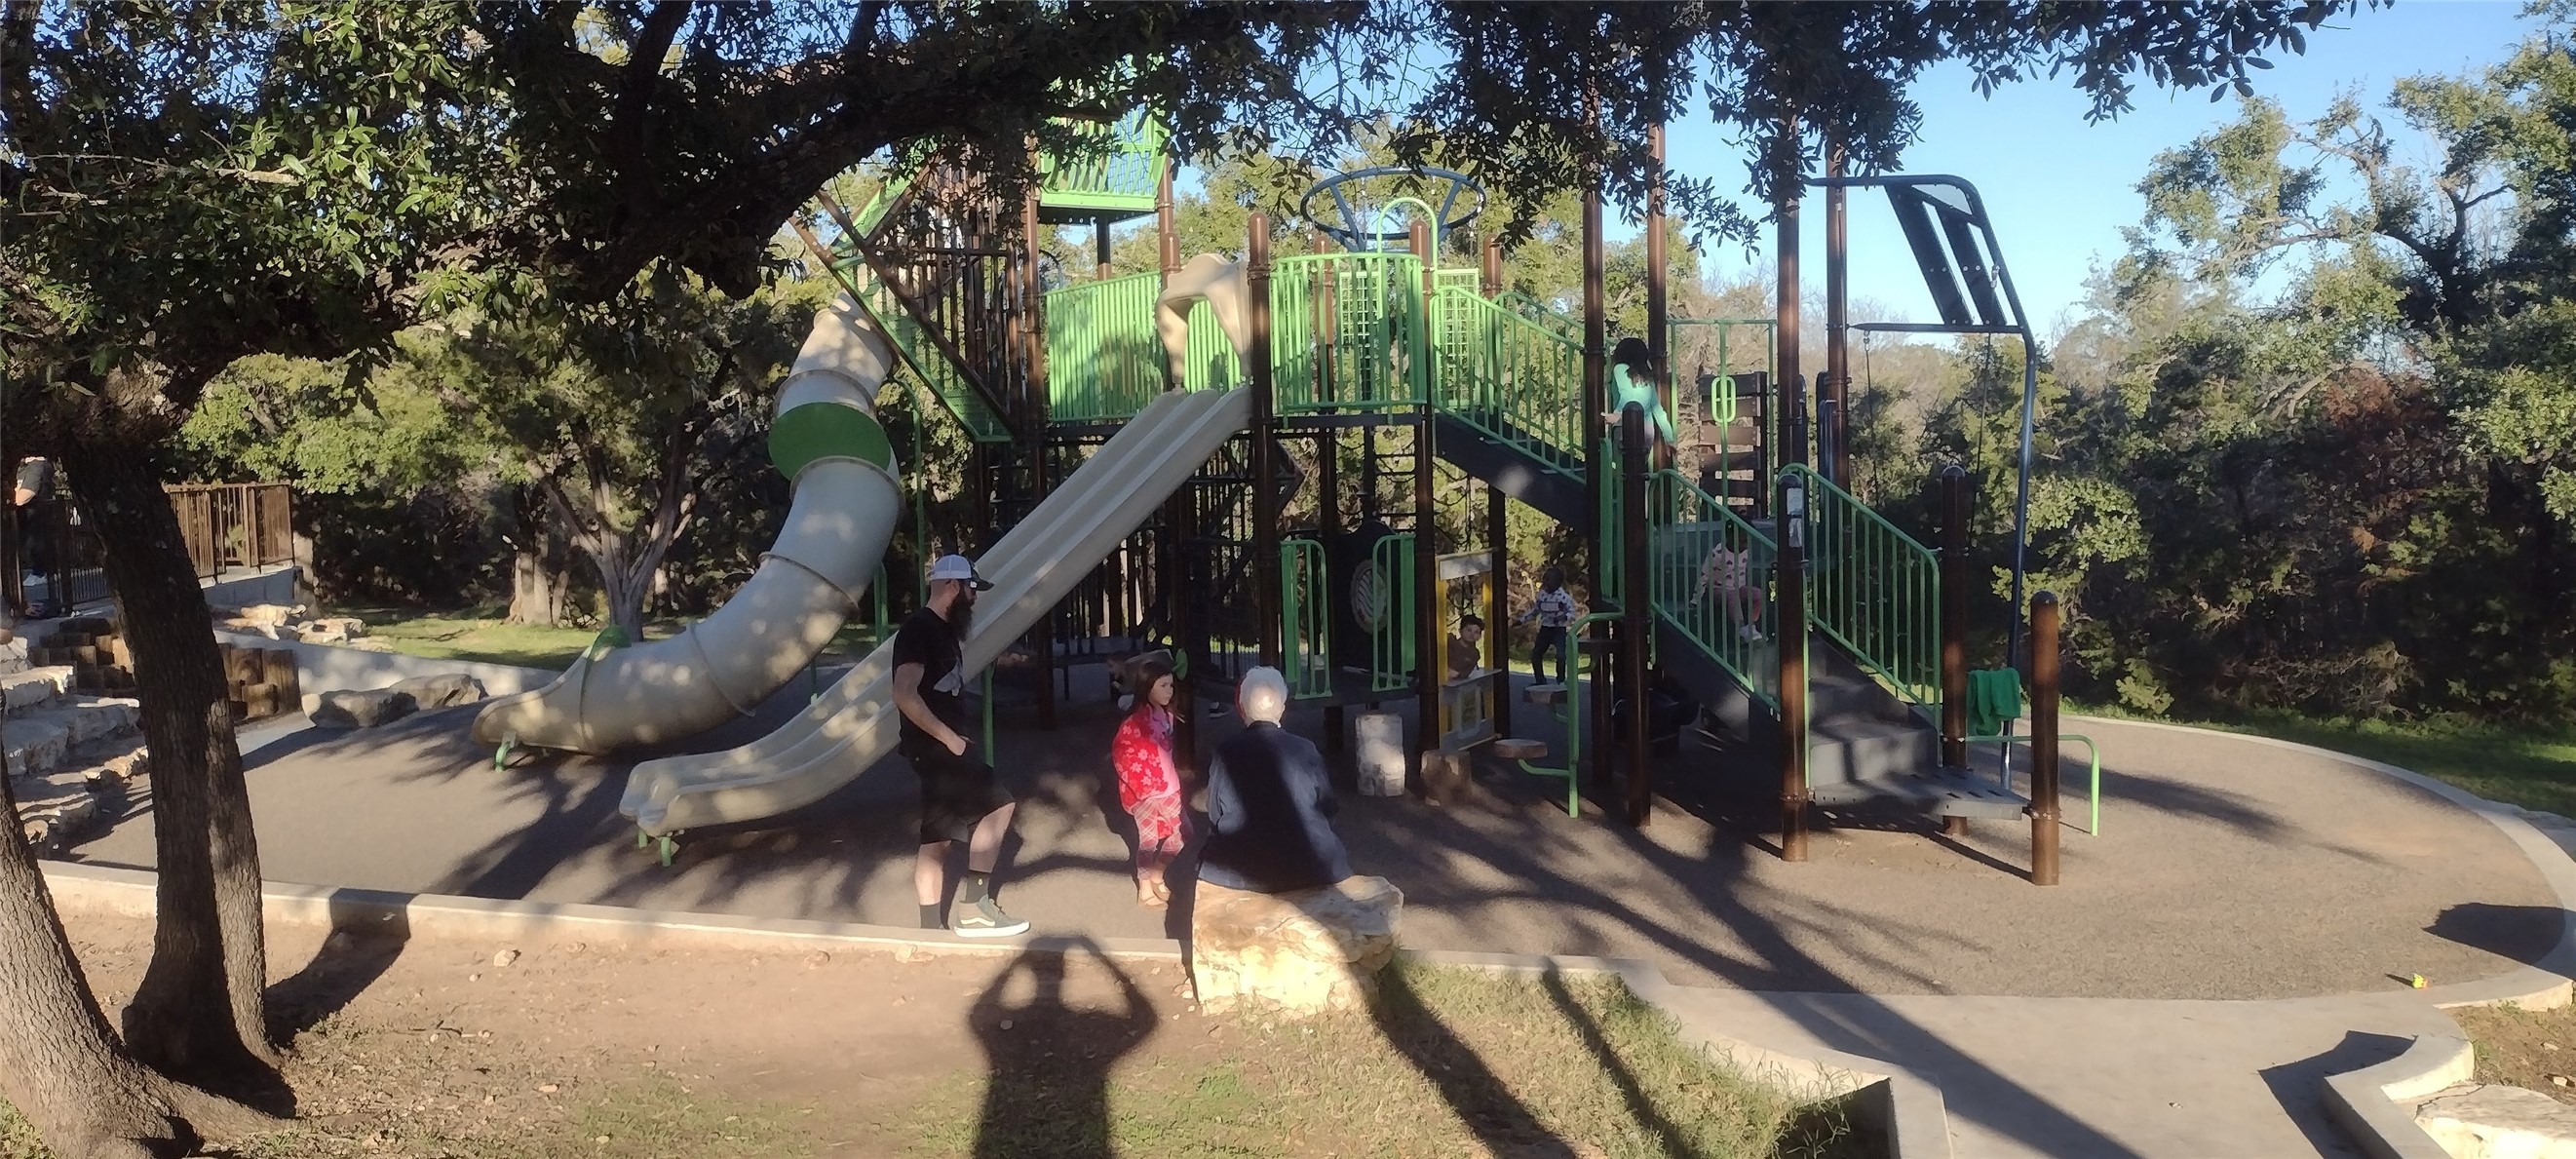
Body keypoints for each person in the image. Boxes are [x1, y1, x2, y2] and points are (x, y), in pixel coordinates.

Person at [892, 553, 1029, 938]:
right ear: (951, 585)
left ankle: (929, 930)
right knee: (1000, 804)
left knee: (937, 839)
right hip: (937, 748)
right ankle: (975, 909)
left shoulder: (942, 629)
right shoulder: (919, 629)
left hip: (937, 747)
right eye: (971, 588)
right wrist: (949, 738)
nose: (974, 597)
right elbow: (904, 694)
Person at [1195, 667, 1352, 896]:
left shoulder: (1225, 752)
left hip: (1239, 869)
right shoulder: (1305, 749)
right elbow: (1328, 808)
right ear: (1282, 709)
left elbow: (1215, 813)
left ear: (1242, 709)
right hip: (1311, 866)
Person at [1108, 651, 1185, 908]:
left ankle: (1157, 873)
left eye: (1171, 685)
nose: (1169, 691)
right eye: (1163, 686)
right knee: (1149, 840)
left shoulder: (1167, 716)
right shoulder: (1133, 723)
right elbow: (1121, 755)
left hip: (1169, 788)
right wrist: (1142, 787)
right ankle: (1145, 888)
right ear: (1147, 687)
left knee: (1182, 834)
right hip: (1146, 792)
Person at [1604, 337, 1677, 470]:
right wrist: (1669, 438)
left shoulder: (1620, 368)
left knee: (1621, 470)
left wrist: (1617, 414)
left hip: (1625, 426)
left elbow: (1627, 394)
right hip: (1647, 430)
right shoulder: (1646, 376)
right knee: (1637, 470)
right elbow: (1657, 410)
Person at [1515, 566, 1578, 686]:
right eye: (1544, 579)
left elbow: (1572, 613)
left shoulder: (1564, 598)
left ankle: (1561, 680)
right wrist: (1521, 621)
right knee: (1536, 654)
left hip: (1559, 629)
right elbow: (1535, 610)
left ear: (1557, 582)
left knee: (1561, 656)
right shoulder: (1542, 596)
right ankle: (1540, 680)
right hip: (1545, 629)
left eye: (1548, 580)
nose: (1545, 582)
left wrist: (1564, 618)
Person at [1700, 540, 1764, 642]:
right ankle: (1742, 630)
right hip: (1716, 589)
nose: (1746, 545)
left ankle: (1751, 627)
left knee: (1758, 594)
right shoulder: (1716, 554)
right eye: (1743, 542)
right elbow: (1703, 576)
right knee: (1732, 595)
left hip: (1737, 587)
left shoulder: (1745, 552)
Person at [1446, 614, 1484, 681]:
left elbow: (1468, 671)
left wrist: (1458, 674)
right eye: (1469, 630)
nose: (1472, 634)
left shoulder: (1475, 654)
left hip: (1457, 683)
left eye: (1476, 632)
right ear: (1460, 631)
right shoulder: (1450, 643)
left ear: (1479, 636)